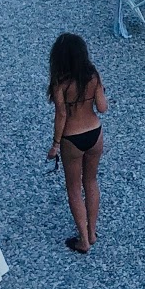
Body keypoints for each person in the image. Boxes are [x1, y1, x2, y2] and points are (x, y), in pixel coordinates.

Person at [46, 33, 108, 253]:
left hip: (72, 138)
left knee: (73, 188)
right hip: (95, 133)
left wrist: (54, 145)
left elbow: (61, 115)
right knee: (91, 181)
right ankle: (92, 231)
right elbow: (102, 108)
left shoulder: (60, 83)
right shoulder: (93, 75)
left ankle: (83, 240)